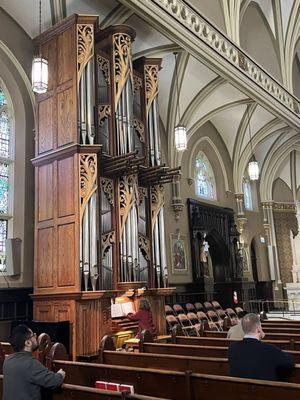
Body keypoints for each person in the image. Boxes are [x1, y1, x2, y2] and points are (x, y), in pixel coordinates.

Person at [3, 324, 65, 400]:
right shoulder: (30, 363)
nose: (36, 336)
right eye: (33, 335)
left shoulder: (8, 360)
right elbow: (54, 381)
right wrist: (60, 374)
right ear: (28, 343)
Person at [228, 313, 294, 381]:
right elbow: (289, 362)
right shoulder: (269, 349)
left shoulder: (232, 348)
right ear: (258, 328)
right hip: (266, 390)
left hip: (238, 390)